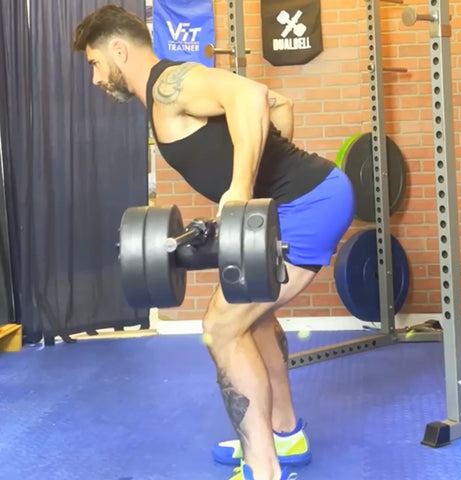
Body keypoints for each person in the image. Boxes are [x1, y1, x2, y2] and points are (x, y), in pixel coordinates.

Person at [74, 6, 355, 480]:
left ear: (118, 50)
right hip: (305, 199)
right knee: (255, 316)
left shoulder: (171, 85)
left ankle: (263, 468)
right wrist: (266, 192)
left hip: (310, 205)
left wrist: (244, 187)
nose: (96, 77)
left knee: (221, 327)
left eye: (95, 63)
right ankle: (286, 434)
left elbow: (249, 94)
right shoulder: (163, 98)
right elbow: (279, 104)